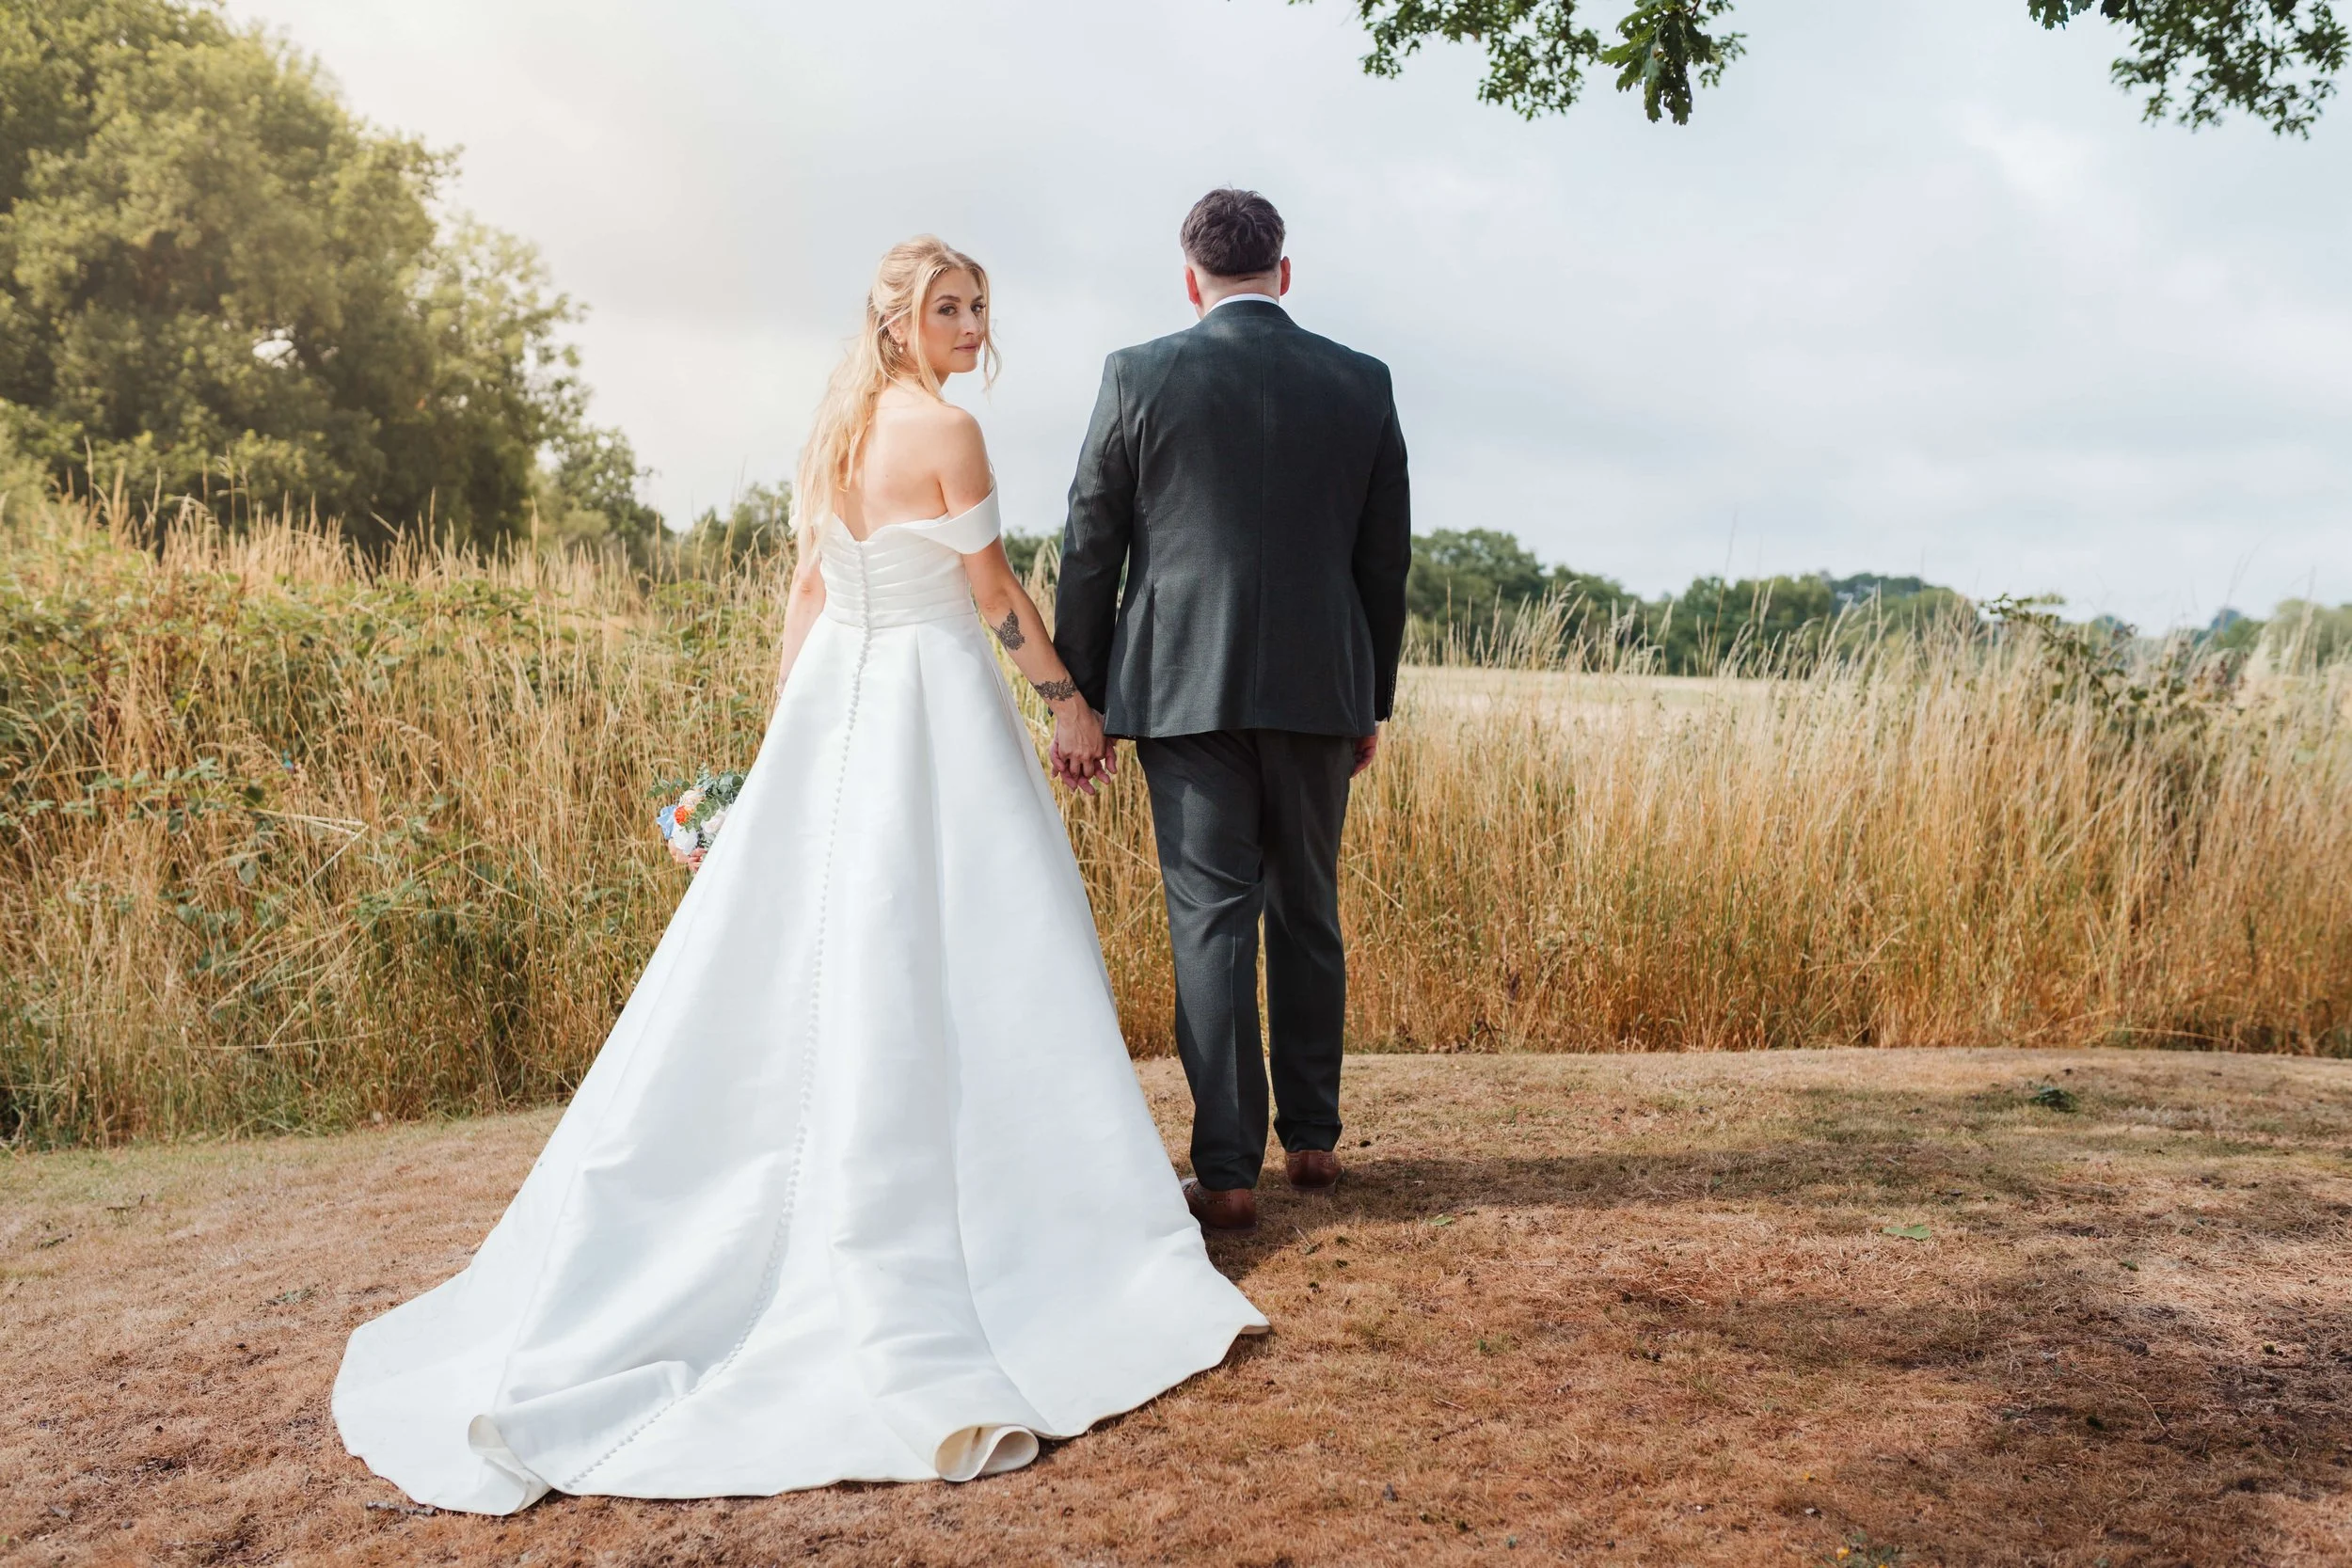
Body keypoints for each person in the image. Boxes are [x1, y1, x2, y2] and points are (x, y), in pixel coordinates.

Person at [332, 236, 1265, 1515]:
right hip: (929, 698)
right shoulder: (949, 430)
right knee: (962, 939)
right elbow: (992, 590)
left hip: (841, 701)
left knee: (843, 943)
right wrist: (1066, 704)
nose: (968, 323)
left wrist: (780, 741)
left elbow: (811, 591)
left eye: (979, 305)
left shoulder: (837, 426)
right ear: (898, 318)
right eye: (948, 306)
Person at [1052, 189, 1412, 1235]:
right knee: (1308, 905)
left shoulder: (1137, 373)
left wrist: (1084, 694)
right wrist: (1368, 694)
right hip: (1317, 689)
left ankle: (1226, 1167)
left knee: (1210, 920)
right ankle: (1312, 1136)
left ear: (1190, 277)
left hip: (1179, 690)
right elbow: (1382, 558)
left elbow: (1090, 543)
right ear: (1283, 273)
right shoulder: (1362, 381)